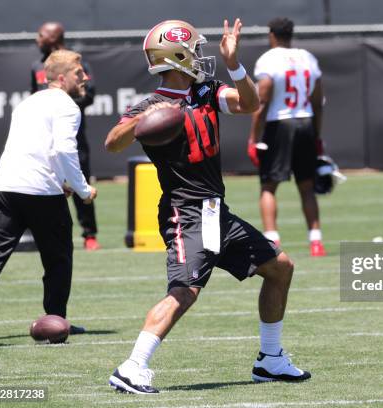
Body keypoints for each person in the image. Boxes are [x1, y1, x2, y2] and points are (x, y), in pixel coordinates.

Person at [105, 18, 310, 394]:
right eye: (195, 50)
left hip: (217, 211)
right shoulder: (151, 105)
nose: (201, 56)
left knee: (280, 268)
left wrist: (235, 64)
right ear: (178, 56)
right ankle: (132, 367)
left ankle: (270, 359)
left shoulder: (207, 91)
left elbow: (249, 103)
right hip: (185, 212)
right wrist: (144, 122)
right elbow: (112, 142)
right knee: (185, 290)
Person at [0, 50, 97, 334]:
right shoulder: (68, 106)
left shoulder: (26, 103)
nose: (85, 77)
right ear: (61, 77)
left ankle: (54, 321)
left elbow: (38, 149)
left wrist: (60, 182)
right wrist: (81, 188)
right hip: (40, 193)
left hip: (4, 187)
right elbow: (63, 149)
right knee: (58, 258)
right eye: (78, 73)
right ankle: (55, 319)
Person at [247, 17, 326, 257]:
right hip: (305, 123)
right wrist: (317, 135)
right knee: (307, 186)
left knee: (268, 186)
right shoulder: (308, 57)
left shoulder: (268, 60)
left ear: (272, 34)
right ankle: (316, 241)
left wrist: (253, 137)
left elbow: (262, 99)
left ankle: (272, 241)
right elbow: (318, 102)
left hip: (279, 124)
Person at [32, 21, 101, 251]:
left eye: (41, 35)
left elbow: (88, 95)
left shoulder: (76, 63)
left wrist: (62, 104)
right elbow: (34, 98)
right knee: (47, 185)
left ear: (53, 37)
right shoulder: (37, 66)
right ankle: (43, 234)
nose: (37, 39)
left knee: (80, 181)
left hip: (74, 137)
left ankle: (89, 235)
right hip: (45, 139)